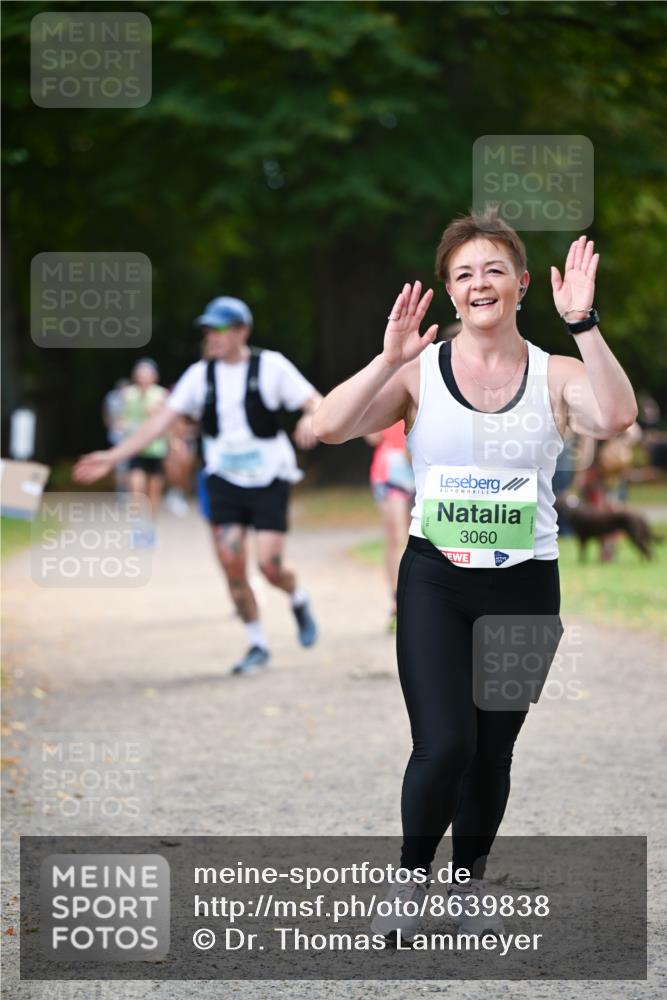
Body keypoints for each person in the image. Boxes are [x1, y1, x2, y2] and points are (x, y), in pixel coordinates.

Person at [313, 211, 637, 940]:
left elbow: (614, 418)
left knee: (493, 748)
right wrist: (385, 357)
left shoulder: (556, 374)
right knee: (444, 743)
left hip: (524, 585)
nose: (478, 282)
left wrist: (583, 324)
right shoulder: (418, 374)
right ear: (449, 292)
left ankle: (466, 884)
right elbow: (330, 427)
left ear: (522, 285)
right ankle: (408, 884)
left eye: (492, 269)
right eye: (462, 273)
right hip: (435, 581)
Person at [74, 296, 323, 675]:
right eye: (208, 329)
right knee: (231, 564)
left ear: (243, 331)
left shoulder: (269, 366)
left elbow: (314, 401)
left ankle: (297, 597)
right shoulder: (199, 376)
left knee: (270, 566)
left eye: (220, 328)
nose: (212, 336)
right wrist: (113, 456)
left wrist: (310, 418)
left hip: (269, 478)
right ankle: (257, 642)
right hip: (223, 479)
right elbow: (158, 425)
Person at [365, 421, 415, 631]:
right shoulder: (386, 388)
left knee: (419, 540)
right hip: (391, 470)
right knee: (397, 538)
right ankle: (397, 601)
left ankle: (419, 600)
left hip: (422, 467)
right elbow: (371, 435)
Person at [120, 359, 169, 545]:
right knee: (137, 489)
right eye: (141, 373)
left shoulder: (161, 395)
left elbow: (166, 421)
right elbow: (123, 418)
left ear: (154, 377)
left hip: (156, 450)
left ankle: (150, 528)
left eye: (147, 373)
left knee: (153, 493)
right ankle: (137, 528)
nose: (144, 377)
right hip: (136, 449)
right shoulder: (128, 394)